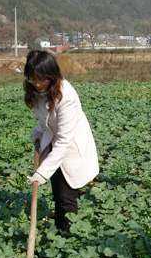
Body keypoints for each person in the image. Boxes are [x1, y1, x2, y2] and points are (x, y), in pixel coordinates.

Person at [25, 50, 99, 231]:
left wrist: (41, 174)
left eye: (41, 79)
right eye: (33, 78)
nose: (37, 83)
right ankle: (60, 230)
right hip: (54, 145)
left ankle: (70, 239)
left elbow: (64, 141)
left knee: (66, 196)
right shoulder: (37, 91)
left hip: (71, 147)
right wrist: (39, 131)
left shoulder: (66, 96)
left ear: (52, 76)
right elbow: (46, 119)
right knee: (58, 192)